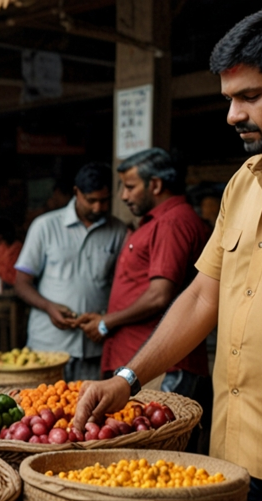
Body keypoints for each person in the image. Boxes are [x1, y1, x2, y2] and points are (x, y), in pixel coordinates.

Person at [74, 8, 262, 501]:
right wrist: (127, 381)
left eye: (250, 96)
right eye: (228, 99)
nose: (233, 114)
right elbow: (201, 297)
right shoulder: (243, 183)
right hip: (231, 460)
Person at [77, 149, 211, 389]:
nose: (123, 195)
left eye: (130, 187)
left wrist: (107, 322)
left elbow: (160, 295)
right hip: (143, 362)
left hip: (161, 367)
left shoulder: (172, 222)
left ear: (156, 185)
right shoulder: (159, 222)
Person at [14, 162, 127, 382]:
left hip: (94, 348)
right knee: (41, 412)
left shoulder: (118, 231)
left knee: (89, 413)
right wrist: (48, 307)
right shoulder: (45, 226)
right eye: (91, 200)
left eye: (104, 201)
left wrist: (107, 319)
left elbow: (124, 286)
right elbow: (21, 283)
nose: (98, 208)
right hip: (48, 348)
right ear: (76, 193)